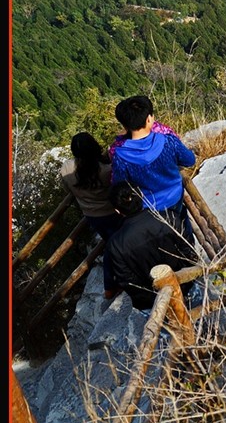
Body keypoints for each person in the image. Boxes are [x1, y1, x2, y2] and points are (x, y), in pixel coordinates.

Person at [110, 95, 197, 241]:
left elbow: (120, 185)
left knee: (161, 240)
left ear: (124, 126)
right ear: (149, 119)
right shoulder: (168, 141)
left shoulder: (120, 156)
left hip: (148, 208)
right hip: (175, 197)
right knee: (183, 229)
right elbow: (189, 160)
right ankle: (190, 250)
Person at [103, 181, 199, 310]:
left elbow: (129, 283)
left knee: (171, 329)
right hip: (187, 285)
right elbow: (190, 253)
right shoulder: (169, 218)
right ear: (142, 196)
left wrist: (153, 300)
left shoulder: (115, 245)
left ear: (117, 211)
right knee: (200, 315)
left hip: (154, 303)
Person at [60, 132, 124, 242]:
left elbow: (67, 189)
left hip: (91, 215)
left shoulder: (66, 168)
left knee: (112, 242)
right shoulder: (106, 170)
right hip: (114, 212)